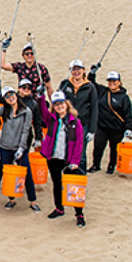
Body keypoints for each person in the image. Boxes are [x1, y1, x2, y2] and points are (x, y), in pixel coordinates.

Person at [38, 91, 87, 228]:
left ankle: (79, 214)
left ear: (66, 104)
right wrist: (41, 97)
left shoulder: (75, 122)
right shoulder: (52, 119)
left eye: (61, 103)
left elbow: (79, 143)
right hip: (53, 157)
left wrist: (75, 162)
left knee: (74, 187)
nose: (59, 106)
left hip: (68, 160)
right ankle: (59, 208)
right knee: (56, 184)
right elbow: (42, 111)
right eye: (56, 104)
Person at [0, 87, 40, 212]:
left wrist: (22, 148)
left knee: (27, 174)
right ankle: (11, 199)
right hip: (5, 147)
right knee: (9, 176)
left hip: (19, 148)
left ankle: (32, 201)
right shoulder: (5, 110)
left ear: (16, 95)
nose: (10, 97)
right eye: (7, 96)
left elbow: (25, 131)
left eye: (11, 94)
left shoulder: (26, 111)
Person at [89, 68, 132, 174]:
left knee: (114, 149)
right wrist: (92, 73)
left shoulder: (124, 98)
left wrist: (128, 128)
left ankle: (111, 167)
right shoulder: (103, 92)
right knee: (98, 147)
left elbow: (128, 114)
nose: (112, 83)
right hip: (102, 127)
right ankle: (96, 165)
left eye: (114, 81)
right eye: (110, 81)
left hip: (117, 129)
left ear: (119, 82)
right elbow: (91, 83)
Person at [58, 60, 98, 170]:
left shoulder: (90, 87)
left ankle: (81, 177)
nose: (76, 72)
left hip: (83, 123)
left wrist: (92, 130)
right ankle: (67, 176)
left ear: (83, 70)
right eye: (73, 69)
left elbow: (94, 108)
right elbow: (58, 100)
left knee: (80, 152)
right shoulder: (65, 84)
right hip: (67, 122)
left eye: (78, 69)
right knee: (66, 149)